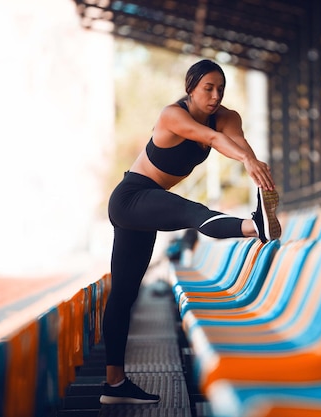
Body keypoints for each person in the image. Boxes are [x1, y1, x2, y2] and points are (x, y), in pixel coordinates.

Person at [99, 59, 281, 405]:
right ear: (191, 88)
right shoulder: (173, 115)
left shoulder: (228, 116)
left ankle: (114, 385)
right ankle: (254, 226)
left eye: (220, 89)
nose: (215, 96)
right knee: (191, 212)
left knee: (125, 294)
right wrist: (246, 162)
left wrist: (253, 167)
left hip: (148, 204)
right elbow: (211, 138)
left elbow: (236, 142)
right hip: (131, 197)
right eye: (208, 88)